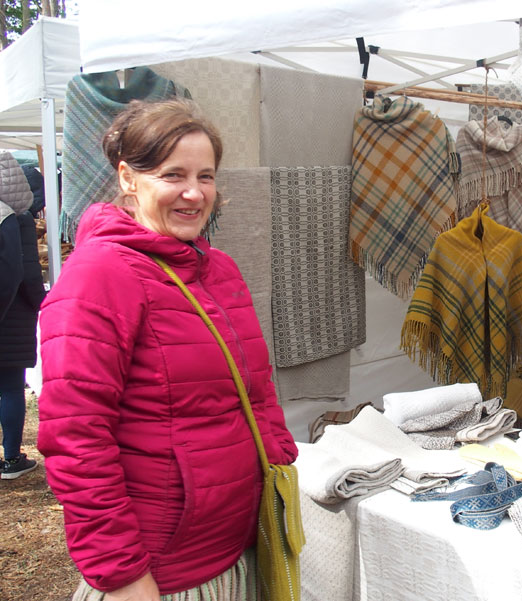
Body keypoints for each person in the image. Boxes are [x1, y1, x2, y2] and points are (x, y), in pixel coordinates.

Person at [38, 99, 298, 600]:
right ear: (128, 178)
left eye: (206, 176)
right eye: (172, 175)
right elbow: (75, 436)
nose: (194, 193)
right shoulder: (101, 275)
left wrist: (277, 460)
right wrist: (122, 574)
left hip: (236, 548)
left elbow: (256, 391)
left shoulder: (218, 270)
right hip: (162, 571)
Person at [0, 158, 44, 480]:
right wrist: (41, 303)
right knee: (12, 387)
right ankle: (12, 458)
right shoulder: (18, 218)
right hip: (13, 313)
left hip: (10, 310)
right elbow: (23, 273)